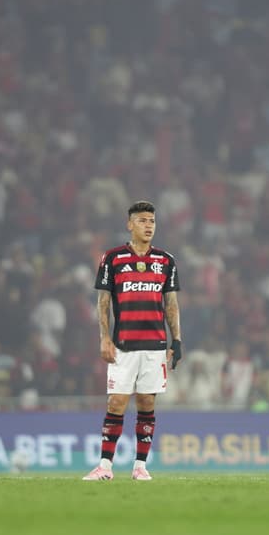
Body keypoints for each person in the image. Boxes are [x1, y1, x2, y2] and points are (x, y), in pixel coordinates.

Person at [83, 200, 182, 481]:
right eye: (142, 220)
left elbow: (171, 304)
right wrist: (104, 338)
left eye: (151, 221)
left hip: (155, 345)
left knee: (147, 403)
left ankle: (140, 466)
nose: (148, 226)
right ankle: (105, 466)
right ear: (129, 224)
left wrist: (177, 340)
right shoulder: (112, 258)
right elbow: (103, 302)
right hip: (123, 344)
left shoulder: (166, 260)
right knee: (116, 402)